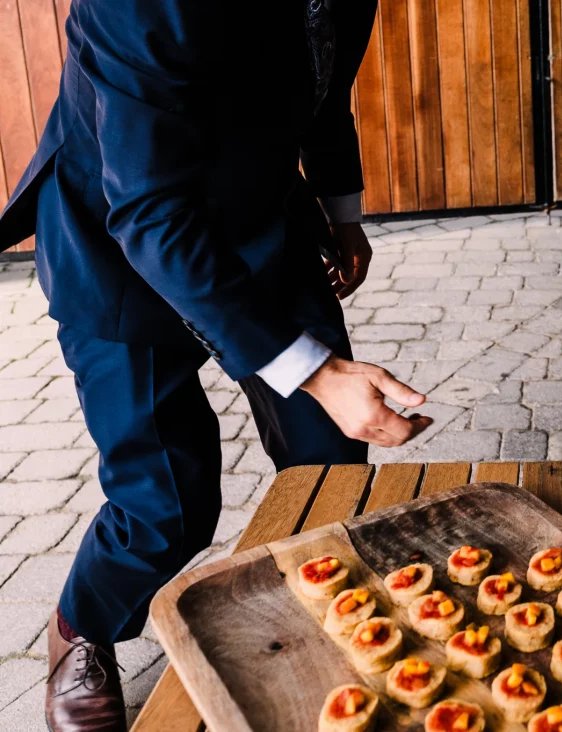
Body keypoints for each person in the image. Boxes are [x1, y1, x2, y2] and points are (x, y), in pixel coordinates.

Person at [0, 2, 431, 729]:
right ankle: (82, 625)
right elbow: (149, 211)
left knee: (327, 456)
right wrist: (319, 371)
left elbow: (322, 78)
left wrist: (341, 208)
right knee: (166, 506)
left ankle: (324, 601)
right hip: (115, 240)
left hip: (261, 218)